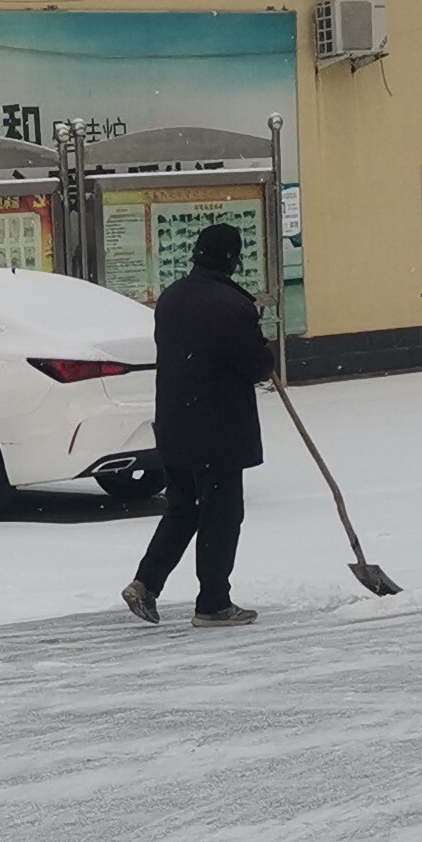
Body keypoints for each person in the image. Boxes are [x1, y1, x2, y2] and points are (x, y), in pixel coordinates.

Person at [122, 220, 277, 629]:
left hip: (176, 423)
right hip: (218, 431)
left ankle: (145, 583)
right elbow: (257, 365)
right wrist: (263, 345)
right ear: (232, 259)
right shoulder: (232, 305)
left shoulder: (172, 298)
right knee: (221, 515)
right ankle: (213, 604)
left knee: (182, 510)